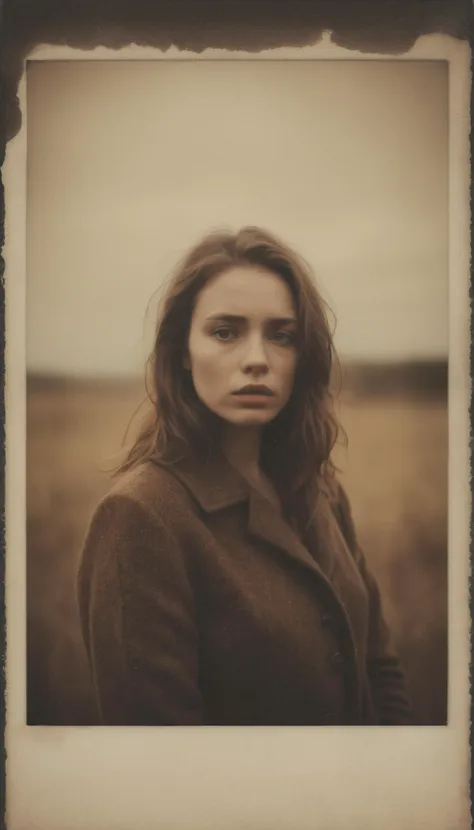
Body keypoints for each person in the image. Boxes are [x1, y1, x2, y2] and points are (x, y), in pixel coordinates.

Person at [77, 226, 414, 726]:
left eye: (281, 335)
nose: (257, 360)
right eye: (225, 331)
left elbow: (378, 667)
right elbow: (159, 761)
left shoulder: (320, 489)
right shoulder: (141, 517)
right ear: (182, 353)